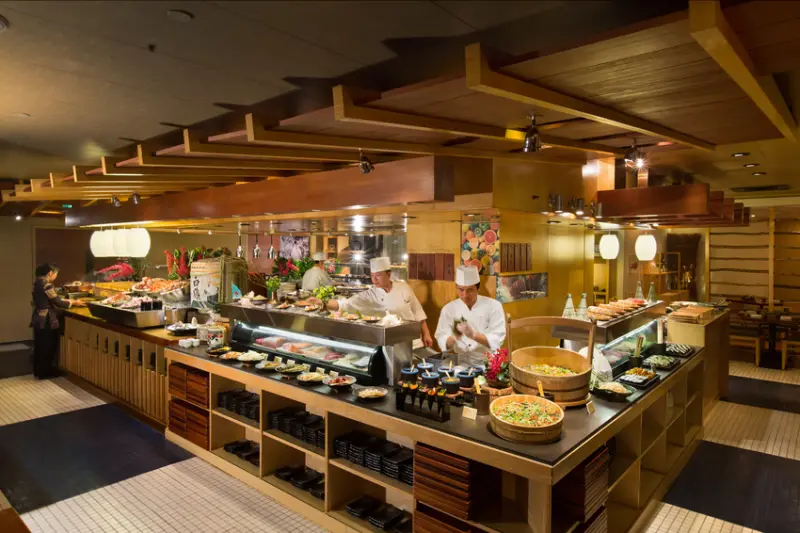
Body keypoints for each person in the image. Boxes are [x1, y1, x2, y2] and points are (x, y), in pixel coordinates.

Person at [312, 257, 433, 347]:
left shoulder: (403, 287)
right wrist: (322, 303)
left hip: (415, 342)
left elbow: (417, 311)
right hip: (393, 344)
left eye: (378, 275)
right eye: (372, 275)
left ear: (388, 274)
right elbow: (346, 304)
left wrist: (426, 334)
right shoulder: (370, 295)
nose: (374, 279)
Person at [435, 265, 506, 364]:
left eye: (470, 290)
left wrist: (473, 335)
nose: (465, 295)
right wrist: (455, 337)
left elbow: (497, 339)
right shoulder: (449, 309)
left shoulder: (494, 306)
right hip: (462, 363)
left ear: (478, 288)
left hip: (488, 363)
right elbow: (441, 339)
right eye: (461, 290)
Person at [30, 263, 85, 379]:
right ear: (50, 273)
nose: (55, 276)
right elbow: (58, 302)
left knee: (39, 345)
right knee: (48, 344)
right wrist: (73, 302)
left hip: (38, 317)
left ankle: (38, 371)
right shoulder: (46, 285)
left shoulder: (37, 283)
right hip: (47, 319)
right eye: (56, 274)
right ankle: (47, 372)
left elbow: (51, 299)